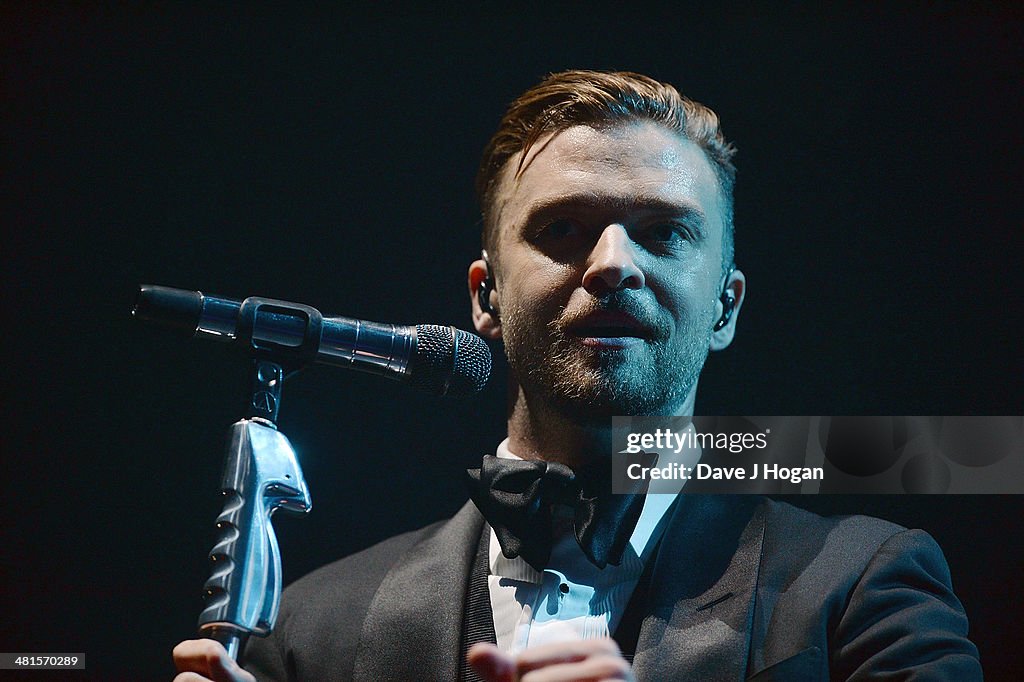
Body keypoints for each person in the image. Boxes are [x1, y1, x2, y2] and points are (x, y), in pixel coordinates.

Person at [172, 70, 982, 681]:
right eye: (563, 228)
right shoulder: (309, 631)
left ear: (726, 308)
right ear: (485, 298)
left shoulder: (864, 589)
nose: (612, 265)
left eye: (663, 233)